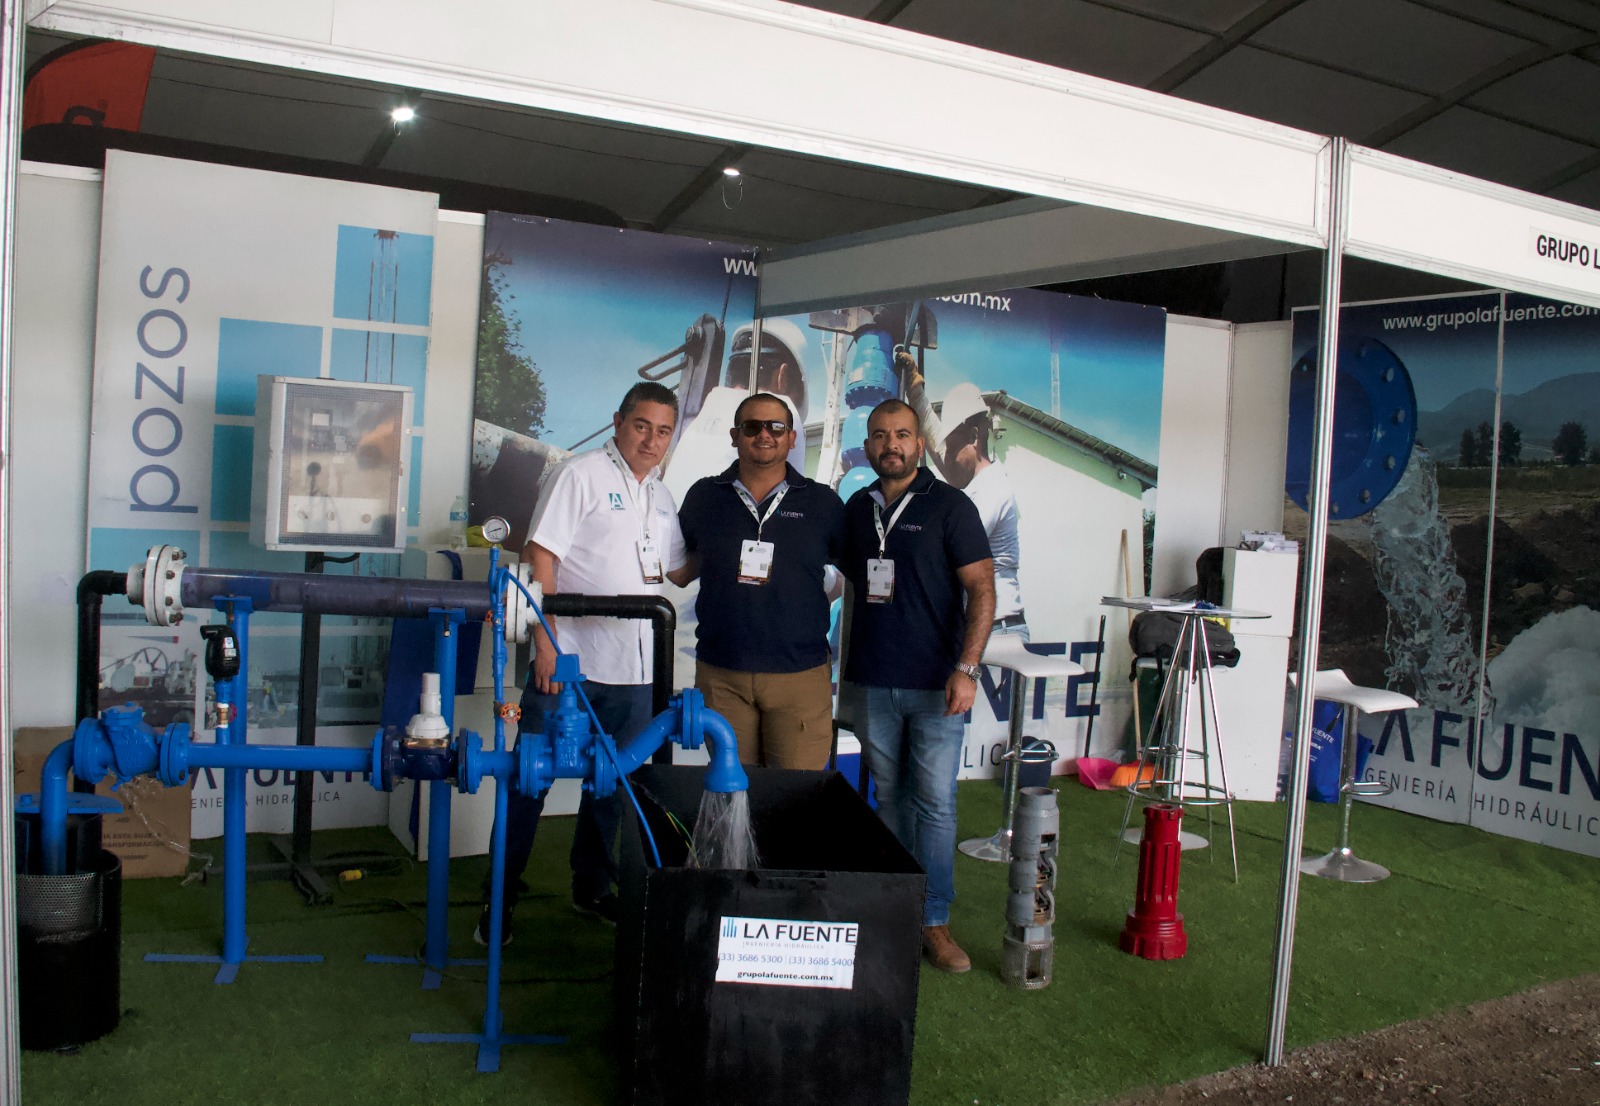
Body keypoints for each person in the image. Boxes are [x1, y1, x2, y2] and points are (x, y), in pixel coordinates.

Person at [479, 381, 687, 944]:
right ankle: (497, 905)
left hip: (637, 672)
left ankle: (591, 889)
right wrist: (546, 645)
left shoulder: (661, 495)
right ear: (618, 422)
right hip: (570, 665)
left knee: (612, 790)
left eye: (663, 431)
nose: (651, 440)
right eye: (641, 426)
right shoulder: (581, 474)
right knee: (528, 785)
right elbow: (539, 556)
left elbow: (678, 569)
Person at [841, 398, 995, 973]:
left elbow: (982, 588)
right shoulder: (856, 508)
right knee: (890, 798)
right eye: (881, 435)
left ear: (919, 443)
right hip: (874, 680)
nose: (891, 445)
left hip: (937, 686)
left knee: (935, 802)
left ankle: (933, 919)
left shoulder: (950, 506)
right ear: (868, 444)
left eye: (902, 434)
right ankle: (894, 908)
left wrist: (968, 668)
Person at [673, 391, 844, 768]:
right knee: (732, 791)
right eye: (752, 427)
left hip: (799, 674)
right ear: (735, 436)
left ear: (791, 438)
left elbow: (848, 569)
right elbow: (684, 564)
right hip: (722, 674)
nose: (764, 434)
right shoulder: (704, 496)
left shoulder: (822, 503)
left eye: (776, 427)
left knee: (794, 793)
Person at [902, 354, 1026, 640]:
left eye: (952, 446)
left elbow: (952, 549)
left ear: (973, 437)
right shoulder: (975, 485)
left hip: (999, 631)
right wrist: (915, 393)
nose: (946, 457)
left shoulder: (993, 488)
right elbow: (940, 450)